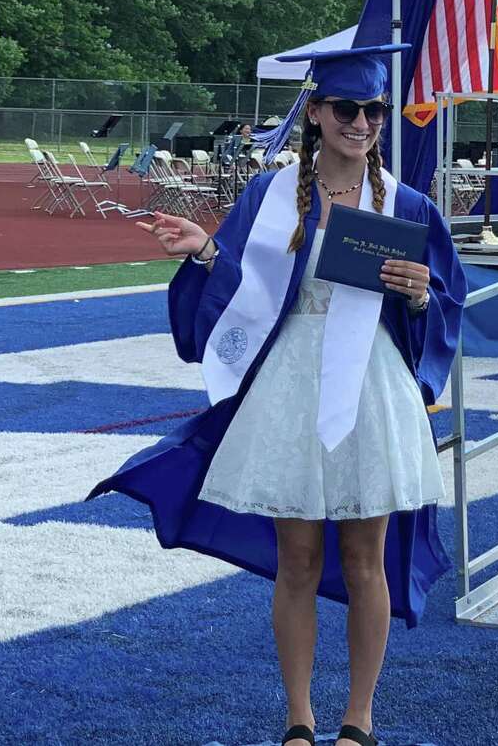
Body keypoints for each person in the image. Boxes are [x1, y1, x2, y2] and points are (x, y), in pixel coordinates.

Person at [88, 44, 467, 746]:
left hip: (369, 385)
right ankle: (299, 717)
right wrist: (204, 248)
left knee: (364, 558)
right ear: (317, 113)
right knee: (297, 559)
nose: (362, 122)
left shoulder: (406, 204)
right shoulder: (272, 194)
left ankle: (359, 718)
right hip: (290, 381)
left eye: (374, 110)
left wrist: (419, 299)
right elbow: (241, 282)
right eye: (348, 109)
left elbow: (446, 303)